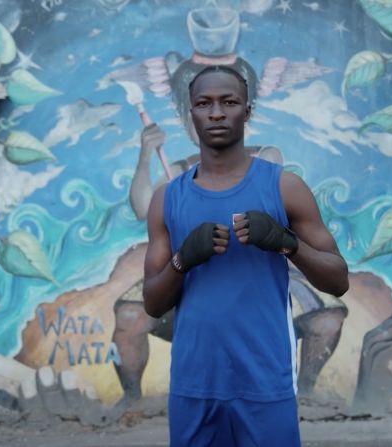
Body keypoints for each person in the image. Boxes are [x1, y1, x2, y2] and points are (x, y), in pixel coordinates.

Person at [142, 64, 349, 446]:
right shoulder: (167, 199)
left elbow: (338, 278)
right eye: (204, 103)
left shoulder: (283, 187)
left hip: (265, 381)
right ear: (191, 114)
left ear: (247, 112)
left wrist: (286, 243)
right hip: (194, 383)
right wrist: (183, 260)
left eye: (229, 102)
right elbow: (153, 303)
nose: (217, 113)